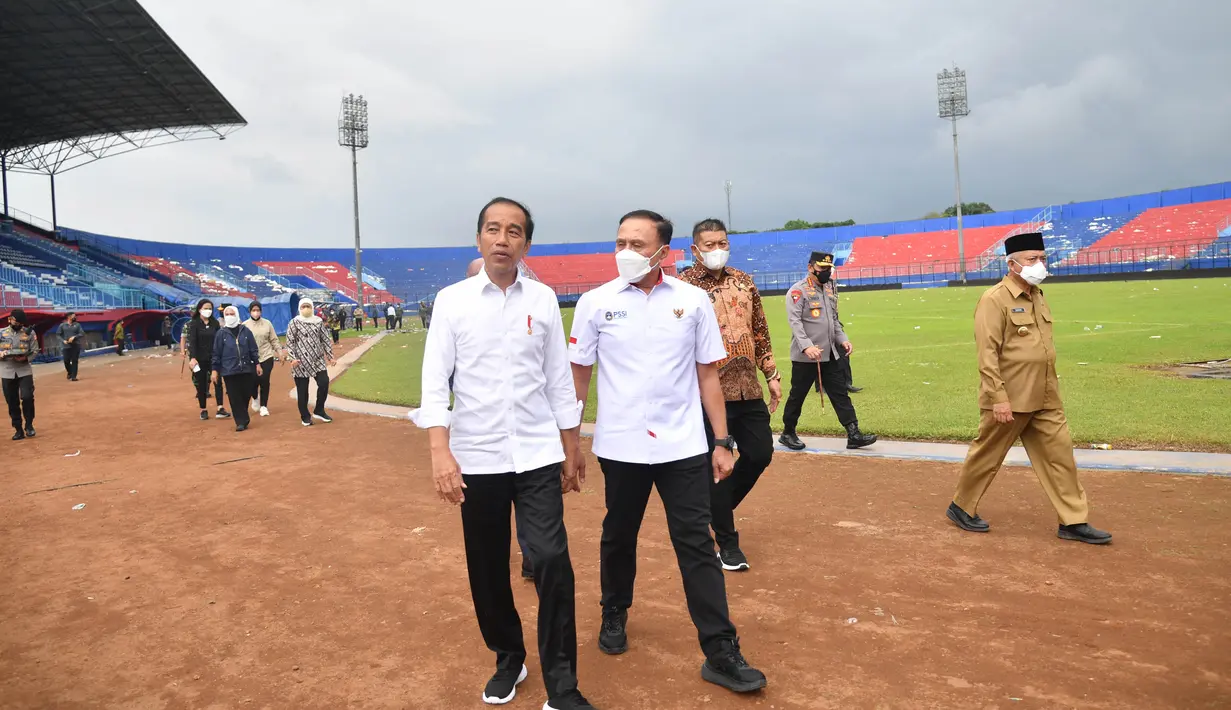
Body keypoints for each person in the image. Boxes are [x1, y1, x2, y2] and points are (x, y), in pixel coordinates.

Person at [569, 209, 767, 694]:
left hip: (683, 445)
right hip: (621, 445)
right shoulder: (595, 303)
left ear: (664, 251)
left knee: (696, 543)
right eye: (620, 242)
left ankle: (720, 650)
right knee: (619, 533)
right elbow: (578, 376)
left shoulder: (693, 301)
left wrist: (722, 440)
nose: (626, 253)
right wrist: (570, 443)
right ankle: (614, 612)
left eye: (638, 244)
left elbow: (707, 375)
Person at [419, 197, 594, 710]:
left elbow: (560, 381)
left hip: (538, 452)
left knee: (550, 559)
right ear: (479, 239)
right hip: (477, 457)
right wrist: (440, 453)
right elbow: (434, 383)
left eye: (513, 231)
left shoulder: (541, 301)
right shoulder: (451, 301)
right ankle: (508, 657)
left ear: (526, 244)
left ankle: (562, 685)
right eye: (493, 229)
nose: (502, 239)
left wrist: (571, 447)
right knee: (488, 565)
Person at [947, 232, 1112, 545]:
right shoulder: (994, 299)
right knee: (988, 455)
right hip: (1010, 397)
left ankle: (1073, 520)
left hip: (1046, 395)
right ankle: (961, 506)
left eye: (1042, 258)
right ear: (1012, 264)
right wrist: (998, 399)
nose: (1040, 264)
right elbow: (988, 354)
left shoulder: (1037, 295)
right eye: (1032, 259)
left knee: (1060, 456)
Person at [679, 218, 781, 572]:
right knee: (719, 468)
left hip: (747, 386)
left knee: (760, 453)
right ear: (695, 249)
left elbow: (761, 331)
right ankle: (727, 542)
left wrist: (770, 373)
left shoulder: (744, 281)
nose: (716, 249)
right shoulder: (683, 289)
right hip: (708, 393)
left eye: (722, 242)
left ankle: (712, 512)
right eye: (709, 244)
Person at [779, 251, 877, 451]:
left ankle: (853, 433)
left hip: (830, 353)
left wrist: (843, 339)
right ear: (810, 267)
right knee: (798, 395)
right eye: (822, 268)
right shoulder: (798, 291)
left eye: (828, 269)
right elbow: (795, 322)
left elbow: (833, 319)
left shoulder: (830, 288)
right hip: (805, 357)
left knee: (840, 393)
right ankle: (788, 432)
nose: (826, 272)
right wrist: (807, 346)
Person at [286, 298, 335, 427]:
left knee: (324, 382)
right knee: (303, 391)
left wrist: (330, 356)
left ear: (312, 307)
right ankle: (305, 416)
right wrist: (292, 358)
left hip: (317, 359)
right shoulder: (294, 322)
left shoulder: (318, 322)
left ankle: (319, 410)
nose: (306, 309)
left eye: (308, 306)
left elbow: (325, 339)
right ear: (299, 308)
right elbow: (290, 342)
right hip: (300, 361)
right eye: (303, 306)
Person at [212, 305, 262, 433]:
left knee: (246, 394)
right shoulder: (221, 333)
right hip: (229, 370)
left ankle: (243, 416)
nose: (229, 316)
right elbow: (216, 353)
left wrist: (257, 363)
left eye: (232, 313)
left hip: (246, 368)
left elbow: (253, 349)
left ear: (237, 315)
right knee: (234, 396)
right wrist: (215, 370)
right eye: (227, 314)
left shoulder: (245, 331)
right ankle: (240, 421)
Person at [185, 298, 230, 421]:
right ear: (199, 309)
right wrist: (193, 358)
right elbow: (192, 342)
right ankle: (203, 409)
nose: (208, 310)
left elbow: (218, 340)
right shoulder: (193, 324)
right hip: (198, 359)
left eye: (210, 308)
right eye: (205, 308)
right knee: (201, 384)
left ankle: (220, 408)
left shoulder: (215, 323)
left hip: (214, 358)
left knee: (218, 381)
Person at [1, 309, 38, 440]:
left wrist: (25, 359)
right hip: (6, 371)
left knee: (27, 397)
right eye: (16, 322)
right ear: (10, 319)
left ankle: (29, 425)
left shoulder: (29, 333)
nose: (19, 325)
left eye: (21, 323)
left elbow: (34, 351)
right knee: (12, 401)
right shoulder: (1, 333)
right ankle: (18, 429)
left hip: (24, 370)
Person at [822, 274, 861, 393]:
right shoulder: (812, 284)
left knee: (843, 352)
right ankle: (821, 384)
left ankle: (847, 382)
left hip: (835, 323)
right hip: (820, 324)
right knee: (822, 355)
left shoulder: (831, 282)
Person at [244, 301, 280, 417]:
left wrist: (279, 352)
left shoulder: (267, 324)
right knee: (252, 382)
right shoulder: (244, 326)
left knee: (264, 380)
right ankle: (255, 397)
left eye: (258, 310)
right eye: (253, 310)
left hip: (266, 356)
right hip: (251, 359)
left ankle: (264, 406)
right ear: (249, 311)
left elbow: (273, 339)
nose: (256, 312)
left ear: (261, 311)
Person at [57, 312, 84, 382]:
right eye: (73, 316)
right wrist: (63, 341)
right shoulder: (62, 325)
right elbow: (58, 335)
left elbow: (82, 333)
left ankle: (73, 376)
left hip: (76, 345)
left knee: (75, 360)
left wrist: (75, 337)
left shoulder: (77, 325)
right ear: (69, 317)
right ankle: (70, 372)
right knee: (66, 360)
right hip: (66, 346)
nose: (75, 317)